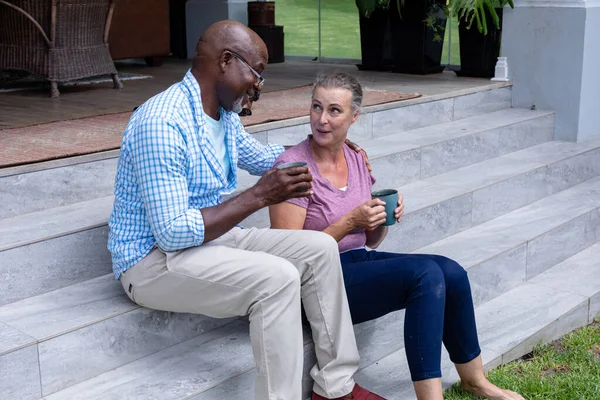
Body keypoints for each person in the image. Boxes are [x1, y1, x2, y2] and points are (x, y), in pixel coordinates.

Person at [107, 20, 386, 400]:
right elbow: (172, 232)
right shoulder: (162, 123)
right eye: (258, 73)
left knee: (318, 249)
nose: (259, 86)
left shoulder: (220, 116)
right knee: (277, 278)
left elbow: (270, 158)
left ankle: (336, 388)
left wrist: (333, 150)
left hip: (210, 242)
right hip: (152, 260)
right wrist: (257, 197)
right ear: (226, 61)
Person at [269, 72, 526, 400]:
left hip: (357, 263)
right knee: (425, 275)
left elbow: (370, 241)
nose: (322, 119)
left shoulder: (356, 157)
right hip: (314, 284)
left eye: (334, 110)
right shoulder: (292, 168)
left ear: (354, 117)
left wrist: (380, 220)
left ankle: (475, 380)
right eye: (316, 107)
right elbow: (287, 255)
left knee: (452, 272)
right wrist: (350, 221)